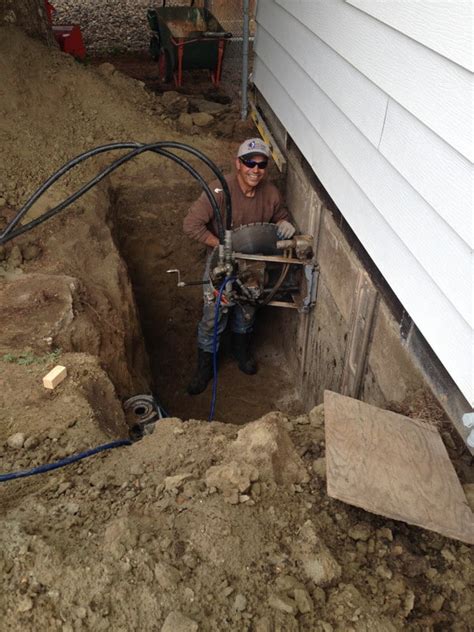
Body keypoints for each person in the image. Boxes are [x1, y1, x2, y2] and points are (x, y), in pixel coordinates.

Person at [183, 137, 295, 395]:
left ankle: (241, 351)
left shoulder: (271, 194)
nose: (255, 170)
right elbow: (190, 225)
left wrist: (285, 225)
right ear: (238, 163)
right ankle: (205, 366)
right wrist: (218, 244)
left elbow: (280, 218)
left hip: (252, 266)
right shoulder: (219, 191)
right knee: (214, 317)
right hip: (221, 263)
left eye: (261, 165)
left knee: (247, 310)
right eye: (249, 163)